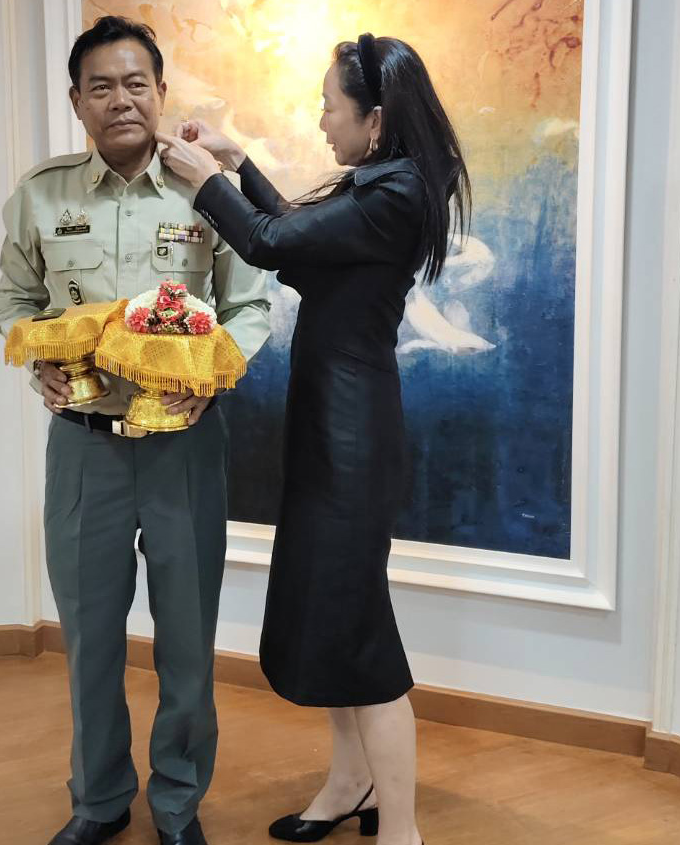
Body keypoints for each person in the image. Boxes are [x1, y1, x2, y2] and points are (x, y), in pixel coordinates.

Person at [156, 33, 470, 845]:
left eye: (331, 106)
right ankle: (350, 783)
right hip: (333, 427)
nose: (321, 118)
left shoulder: (396, 192)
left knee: (359, 633)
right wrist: (236, 161)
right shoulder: (386, 186)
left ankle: (402, 829)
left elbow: (271, 243)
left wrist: (205, 180)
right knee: (333, 621)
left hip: (351, 440)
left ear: (376, 118)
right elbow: (302, 237)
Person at [0, 16, 270, 845]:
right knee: (89, 638)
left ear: (160, 92)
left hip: (185, 446)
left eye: (136, 83)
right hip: (85, 447)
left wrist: (212, 375)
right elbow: (15, 303)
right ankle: (99, 799)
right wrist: (39, 367)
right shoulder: (41, 196)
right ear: (77, 101)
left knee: (187, 637)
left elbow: (251, 307)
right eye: (102, 87)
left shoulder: (206, 192)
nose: (121, 100)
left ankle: (178, 802)